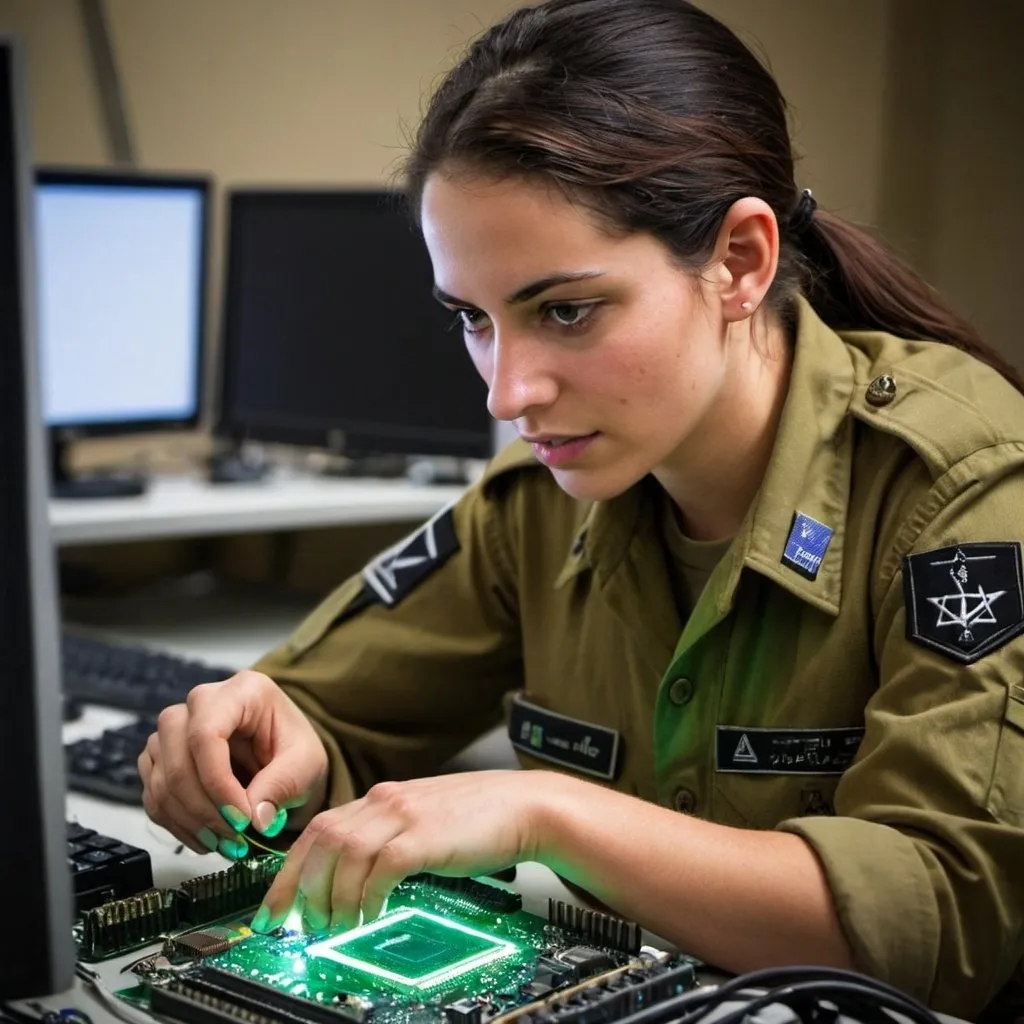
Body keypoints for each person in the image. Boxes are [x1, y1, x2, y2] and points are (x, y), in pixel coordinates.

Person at [137, 0, 1024, 1018]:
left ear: (739, 260)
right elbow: (328, 720)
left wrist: (545, 809)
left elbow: (944, 922)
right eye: (473, 319)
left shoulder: (959, 487)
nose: (506, 394)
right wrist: (255, 747)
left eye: (565, 310)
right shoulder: (541, 501)